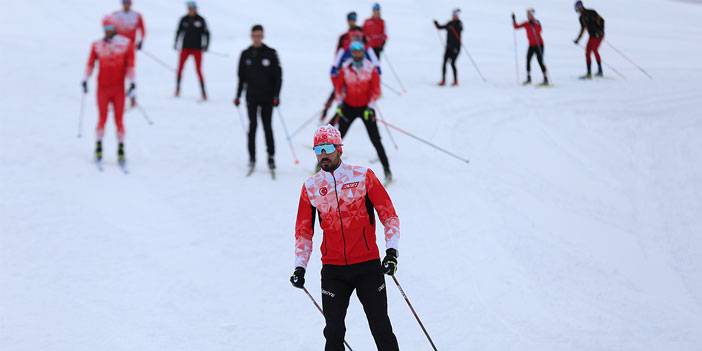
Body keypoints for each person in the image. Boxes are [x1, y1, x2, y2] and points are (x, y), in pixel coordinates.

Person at [290, 124, 401, 351]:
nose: (323, 155)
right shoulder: (311, 187)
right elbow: (303, 231)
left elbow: (389, 216)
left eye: (327, 148)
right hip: (333, 270)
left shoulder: (363, 177)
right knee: (333, 332)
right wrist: (299, 267)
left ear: (339, 149)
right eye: (318, 150)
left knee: (380, 326)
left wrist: (392, 253)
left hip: (367, 266)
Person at [331, 41, 392, 183]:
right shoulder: (346, 67)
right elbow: (339, 88)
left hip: (365, 108)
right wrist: (340, 104)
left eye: (359, 51)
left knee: (376, 139)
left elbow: (376, 90)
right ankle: (322, 167)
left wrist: (370, 107)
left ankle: (387, 170)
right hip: (349, 107)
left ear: (363, 52)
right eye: (354, 51)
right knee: (338, 139)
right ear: (351, 53)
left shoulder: (370, 68)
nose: (356, 53)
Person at [82, 17, 135, 165]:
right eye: (106, 29)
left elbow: (130, 65)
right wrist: (85, 79)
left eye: (111, 28)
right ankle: (98, 146)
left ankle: (121, 148)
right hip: (103, 89)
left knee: (119, 120)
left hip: (118, 88)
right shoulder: (97, 45)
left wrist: (133, 83)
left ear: (115, 28)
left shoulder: (125, 44)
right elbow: (90, 64)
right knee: (102, 118)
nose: (108, 31)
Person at [234, 25, 282, 173]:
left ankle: (271, 157)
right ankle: (252, 157)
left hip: (267, 97)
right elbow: (241, 78)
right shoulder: (245, 54)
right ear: (251, 36)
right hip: (252, 97)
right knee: (252, 127)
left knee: (267, 127)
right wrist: (237, 95)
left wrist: (276, 96)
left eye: (259, 35)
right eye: (254, 35)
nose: (257, 38)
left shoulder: (271, 53)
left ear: (263, 36)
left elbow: (278, 77)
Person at [111, 0, 145, 106]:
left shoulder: (136, 15)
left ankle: (133, 96)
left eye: (128, 3)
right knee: (116, 72)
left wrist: (140, 42)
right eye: (124, 3)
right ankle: (114, 97)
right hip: (118, 48)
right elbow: (110, 29)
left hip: (130, 49)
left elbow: (143, 30)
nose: (126, 5)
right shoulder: (116, 15)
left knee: (130, 71)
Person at [174, 1, 210, 100]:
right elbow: (179, 31)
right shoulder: (183, 19)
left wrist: (206, 45)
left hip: (197, 49)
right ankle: (177, 89)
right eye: (189, 8)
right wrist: (176, 42)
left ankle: (203, 92)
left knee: (198, 70)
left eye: (193, 8)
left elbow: (206, 33)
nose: (191, 10)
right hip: (185, 48)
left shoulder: (201, 20)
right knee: (180, 69)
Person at [512, 8, 549, 85]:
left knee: (540, 60)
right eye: (528, 15)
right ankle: (528, 78)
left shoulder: (537, 22)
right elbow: (516, 27)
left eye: (530, 15)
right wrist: (514, 19)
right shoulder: (526, 23)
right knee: (528, 59)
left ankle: (545, 78)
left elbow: (539, 30)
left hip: (539, 44)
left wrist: (534, 25)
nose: (529, 16)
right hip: (531, 45)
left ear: (533, 15)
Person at [573, 1, 605, 79]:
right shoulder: (581, 18)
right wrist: (578, 39)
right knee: (587, 53)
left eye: (578, 8)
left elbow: (602, 21)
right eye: (576, 9)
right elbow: (583, 29)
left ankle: (599, 71)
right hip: (592, 36)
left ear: (581, 7)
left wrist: (600, 31)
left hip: (598, 35)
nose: (577, 10)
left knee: (594, 50)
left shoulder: (591, 12)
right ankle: (589, 72)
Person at [433, 8, 463, 86]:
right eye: (453, 15)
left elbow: (460, 29)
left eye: (455, 15)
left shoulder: (459, 23)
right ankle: (443, 80)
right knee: (444, 63)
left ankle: (456, 81)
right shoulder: (450, 23)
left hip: (456, 47)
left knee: (453, 63)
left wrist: (453, 29)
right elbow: (441, 27)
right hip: (448, 47)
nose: (454, 16)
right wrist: (436, 24)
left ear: (458, 16)